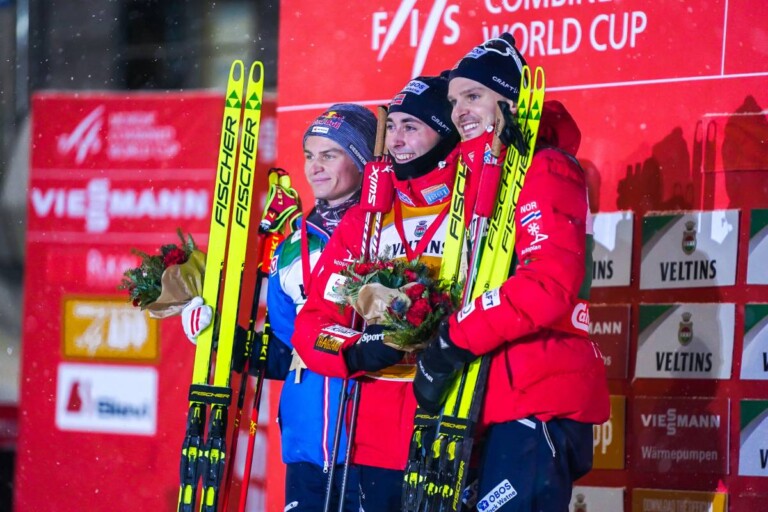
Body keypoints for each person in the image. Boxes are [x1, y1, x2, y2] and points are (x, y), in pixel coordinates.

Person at [412, 33, 611, 511]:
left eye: (473, 96)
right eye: (454, 100)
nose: (459, 111)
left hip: (535, 392)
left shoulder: (545, 167)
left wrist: (453, 339)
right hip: (487, 397)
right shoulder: (471, 178)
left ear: (510, 101)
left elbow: (547, 284)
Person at [181, 103, 377, 512]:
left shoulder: (385, 231)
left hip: (369, 440)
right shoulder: (289, 247)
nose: (314, 167)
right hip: (306, 440)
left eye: (329, 155)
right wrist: (219, 336)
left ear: (362, 160)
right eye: (309, 155)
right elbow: (286, 352)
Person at [290, 73, 459, 512]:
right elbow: (313, 325)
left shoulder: (476, 207)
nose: (396, 140)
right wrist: (358, 349)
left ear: (445, 132)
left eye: (411, 127)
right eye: (393, 126)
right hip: (378, 435)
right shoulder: (367, 220)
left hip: (456, 423)